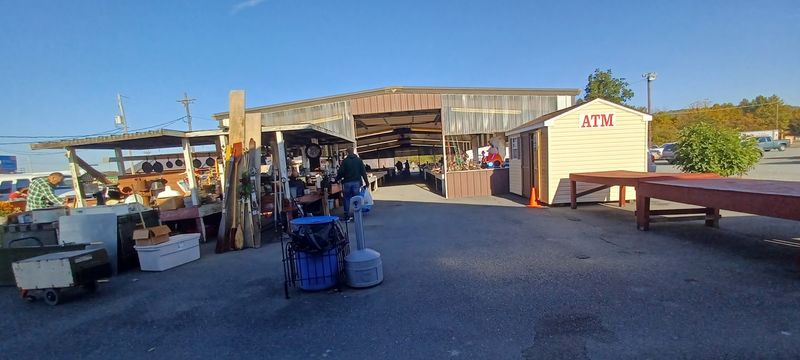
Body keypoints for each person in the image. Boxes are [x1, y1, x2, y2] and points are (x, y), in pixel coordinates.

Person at [336, 147, 369, 221]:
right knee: (356, 198)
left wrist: (336, 179)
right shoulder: (359, 160)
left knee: (347, 199)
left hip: (347, 183)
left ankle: (347, 215)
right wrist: (367, 182)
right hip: (356, 183)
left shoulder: (345, 161)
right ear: (353, 151)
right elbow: (363, 172)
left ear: (347, 152)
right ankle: (357, 215)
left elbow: (341, 172)